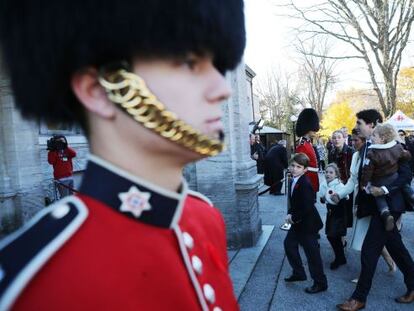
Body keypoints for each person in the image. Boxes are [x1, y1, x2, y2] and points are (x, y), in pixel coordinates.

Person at [0, 1, 245, 310]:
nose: (223, 88)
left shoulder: (205, 217)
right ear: (99, 92)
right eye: (189, 62)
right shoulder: (34, 285)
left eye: (218, 66)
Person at [336, 109, 414, 310]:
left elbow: (406, 176)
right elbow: (358, 179)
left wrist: (385, 189)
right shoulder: (363, 148)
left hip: (390, 205)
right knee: (397, 248)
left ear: (373, 125)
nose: (357, 127)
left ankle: (359, 298)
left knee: (369, 251)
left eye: (360, 123)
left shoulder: (396, 146)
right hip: (373, 207)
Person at [334, 128, 396, 284]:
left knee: (367, 241)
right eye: (352, 140)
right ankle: (391, 263)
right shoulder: (356, 156)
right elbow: (352, 181)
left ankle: (365, 275)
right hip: (362, 203)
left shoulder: (374, 153)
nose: (354, 143)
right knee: (373, 239)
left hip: (374, 203)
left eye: (357, 140)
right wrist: (339, 194)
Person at [283, 153, 327, 294]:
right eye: (293, 165)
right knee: (289, 245)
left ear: (305, 169)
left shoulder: (305, 184)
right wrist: (290, 212)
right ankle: (299, 273)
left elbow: (307, 207)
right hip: (298, 223)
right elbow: (293, 201)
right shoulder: (293, 180)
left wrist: (293, 217)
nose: (294, 169)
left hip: (308, 225)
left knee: (312, 254)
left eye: (299, 167)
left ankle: (320, 283)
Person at [360, 123, 414, 231]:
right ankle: (411, 196)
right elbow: (407, 155)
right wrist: (406, 155)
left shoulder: (373, 152)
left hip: (382, 185)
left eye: (374, 135)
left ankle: (385, 213)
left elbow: (367, 171)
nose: (372, 137)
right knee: (393, 240)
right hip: (393, 178)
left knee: (379, 198)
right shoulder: (397, 148)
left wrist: (364, 184)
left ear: (383, 138)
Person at [318, 163, 348, 270]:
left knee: (332, 236)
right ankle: (341, 257)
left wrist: (339, 199)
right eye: (326, 172)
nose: (328, 174)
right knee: (332, 236)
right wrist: (323, 198)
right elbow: (322, 199)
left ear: (336, 175)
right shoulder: (323, 184)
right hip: (330, 212)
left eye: (331, 172)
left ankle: (339, 258)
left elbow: (346, 197)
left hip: (339, 213)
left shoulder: (339, 185)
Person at [295, 108, 320, 192]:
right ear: (308, 127)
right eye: (313, 128)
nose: (315, 131)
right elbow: (298, 169)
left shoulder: (308, 143)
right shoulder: (303, 145)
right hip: (306, 183)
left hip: (311, 181)